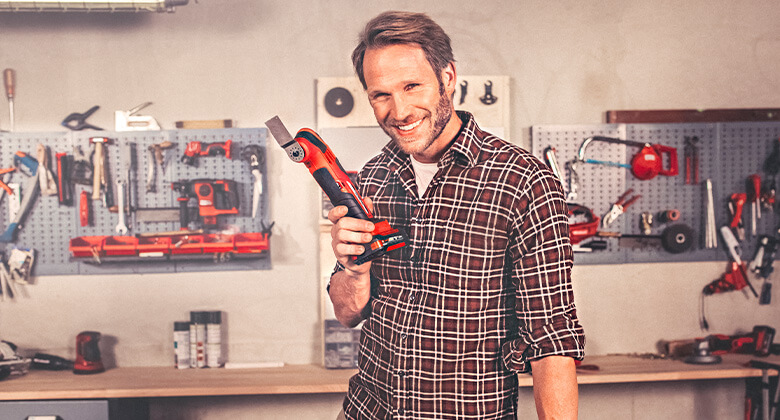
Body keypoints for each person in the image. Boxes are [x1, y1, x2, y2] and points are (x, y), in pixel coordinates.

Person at [328, 10, 585, 419]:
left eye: (412, 86)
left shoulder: (523, 182)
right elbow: (347, 314)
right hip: (367, 411)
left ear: (447, 77)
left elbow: (551, 340)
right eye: (381, 95)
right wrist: (354, 272)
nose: (399, 110)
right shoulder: (373, 176)